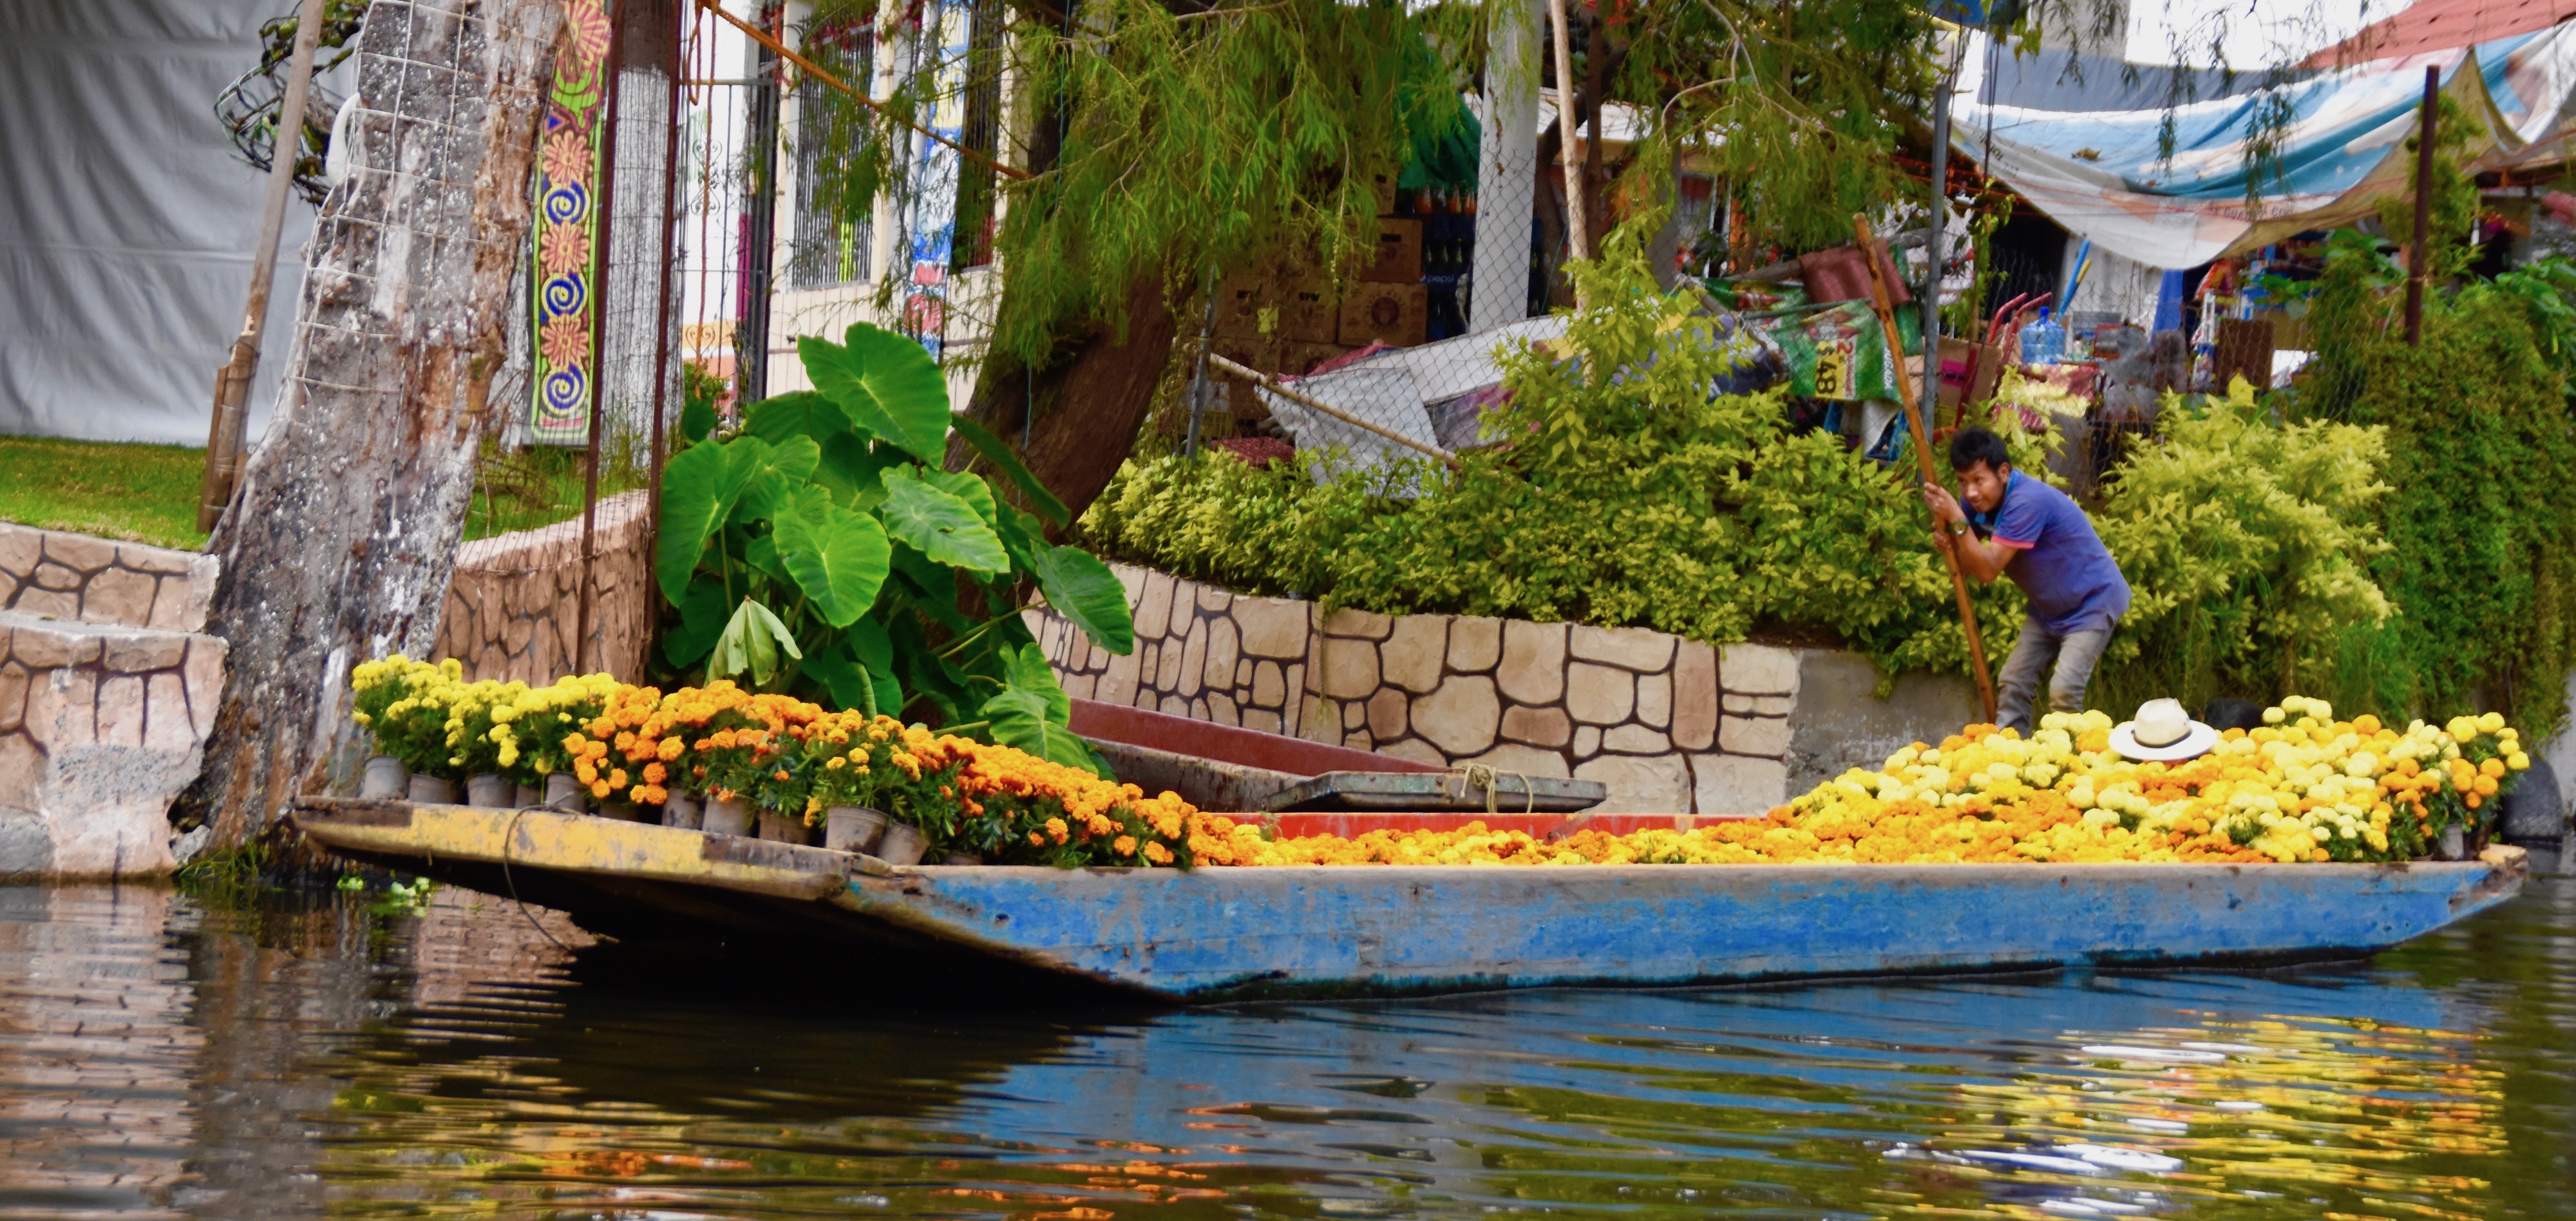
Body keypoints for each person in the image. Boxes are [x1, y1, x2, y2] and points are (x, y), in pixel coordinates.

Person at [1920, 427, 2131, 734]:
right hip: (2048, 610)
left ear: (2003, 472)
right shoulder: (1975, 506)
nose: (1970, 493)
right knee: (2013, 681)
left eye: (1979, 480)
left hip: (2092, 603)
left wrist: (1958, 524)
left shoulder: (2026, 502)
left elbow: (1988, 570)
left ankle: (2071, 767)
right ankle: (2013, 756)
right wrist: (1954, 542)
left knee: (2063, 691)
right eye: (1962, 482)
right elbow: (1968, 566)